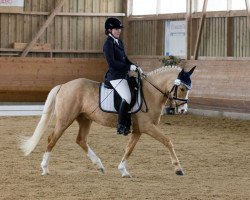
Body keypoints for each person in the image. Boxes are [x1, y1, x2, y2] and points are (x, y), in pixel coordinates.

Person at [103, 17, 139, 136]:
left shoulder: (119, 42)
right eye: (116, 29)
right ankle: (121, 125)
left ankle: (129, 122)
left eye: (119, 29)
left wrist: (135, 66)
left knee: (135, 89)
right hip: (115, 76)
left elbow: (125, 59)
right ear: (109, 30)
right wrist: (129, 68)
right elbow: (112, 63)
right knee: (127, 97)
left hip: (123, 75)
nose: (119, 31)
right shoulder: (108, 44)